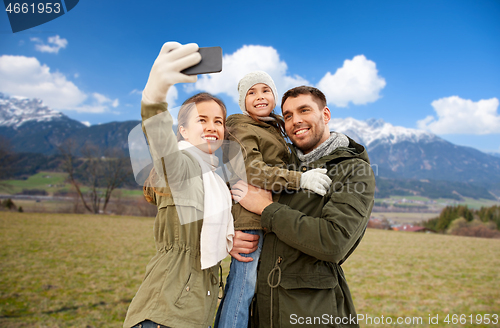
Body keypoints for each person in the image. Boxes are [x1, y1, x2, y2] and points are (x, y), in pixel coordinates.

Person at [230, 86, 376, 328]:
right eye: (287, 115)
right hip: (261, 311)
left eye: (304, 110)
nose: (295, 120)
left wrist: (267, 210)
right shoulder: (280, 166)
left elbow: (334, 241)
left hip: (312, 312)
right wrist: (230, 236)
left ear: (325, 115)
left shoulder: (353, 170)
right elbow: (236, 194)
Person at [123, 42, 234, 328]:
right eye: (202, 119)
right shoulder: (181, 165)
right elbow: (159, 135)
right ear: (182, 130)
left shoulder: (217, 182)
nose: (213, 126)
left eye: (219, 121)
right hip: (164, 315)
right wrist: (155, 92)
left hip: (195, 314)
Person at [214, 72, 332, 328]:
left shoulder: (272, 126)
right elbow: (252, 170)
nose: (259, 97)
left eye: (265, 90)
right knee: (243, 287)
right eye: (251, 92)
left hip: (269, 216)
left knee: (256, 288)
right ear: (241, 101)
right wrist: (300, 180)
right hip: (250, 221)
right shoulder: (241, 129)